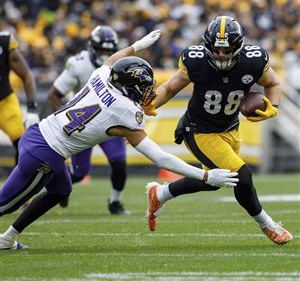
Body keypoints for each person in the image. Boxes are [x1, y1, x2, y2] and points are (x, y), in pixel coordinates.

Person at [0, 29, 238, 250]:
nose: (148, 93)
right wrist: (206, 175)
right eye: (143, 88)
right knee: (5, 204)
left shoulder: (102, 75)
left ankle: (8, 238)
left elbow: (113, 59)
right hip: (45, 152)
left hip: (39, 135)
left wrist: (137, 46)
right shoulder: (124, 111)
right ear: (129, 88)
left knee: (61, 189)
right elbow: (159, 157)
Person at [144, 16, 293, 245]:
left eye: (227, 50)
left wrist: (272, 108)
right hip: (199, 129)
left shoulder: (253, 61)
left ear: (238, 46)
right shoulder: (196, 60)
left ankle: (160, 194)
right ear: (207, 46)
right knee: (241, 176)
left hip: (230, 128)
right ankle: (268, 224)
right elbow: (170, 87)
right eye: (217, 49)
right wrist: (151, 105)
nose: (222, 55)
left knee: (214, 180)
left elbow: (272, 84)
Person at [47, 26, 129, 214]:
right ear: (92, 48)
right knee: (79, 173)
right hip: (84, 123)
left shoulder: (122, 64)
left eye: (109, 51)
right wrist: (65, 120)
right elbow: (54, 95)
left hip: (110, 121)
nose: (105, 54)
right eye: (101, 50)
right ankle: (59, 190)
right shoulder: (79, 64)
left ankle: (115, 203)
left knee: (119, 163)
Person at [0, 31, 39, 164]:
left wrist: (32, 108)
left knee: (23, 145)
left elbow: (26, 74)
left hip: (4, 101)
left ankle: (20, 184)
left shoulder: (4, 42)